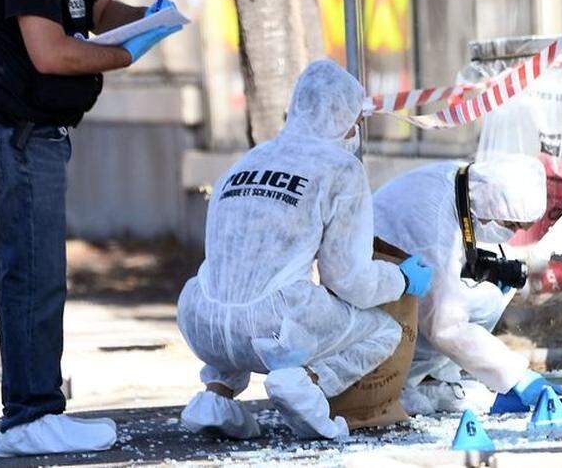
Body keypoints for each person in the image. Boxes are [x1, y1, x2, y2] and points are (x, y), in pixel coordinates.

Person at [0, 0, 183, 458]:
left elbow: (99, 11)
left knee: (34, 273)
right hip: (13, 136)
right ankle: (31, 417)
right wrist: (124, 58)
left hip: (26, 133)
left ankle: (33, 409)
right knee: (32, 278)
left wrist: (153, 20)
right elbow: (51, 54)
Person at [175, 59, 434, 441]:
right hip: (273, 330)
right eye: (356, 122)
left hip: (201, 321)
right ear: (343, 116)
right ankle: (304, 385)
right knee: (382, 332)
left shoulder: (246, 161)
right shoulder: (339, 169)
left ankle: (218, 396)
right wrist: (401, 278)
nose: (357, 131)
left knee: (242, 291)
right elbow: (348, 279)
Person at [372, 154, 549, 415]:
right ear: (492, 203)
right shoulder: (434, 227)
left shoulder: (459, 182)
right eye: (509, 224)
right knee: (456, 312)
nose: (511, 233)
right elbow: (444, 326)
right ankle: (399, 381)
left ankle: (435, 378)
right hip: (376, 312)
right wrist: (516, 375)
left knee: (487, 298)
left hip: (390, 289)